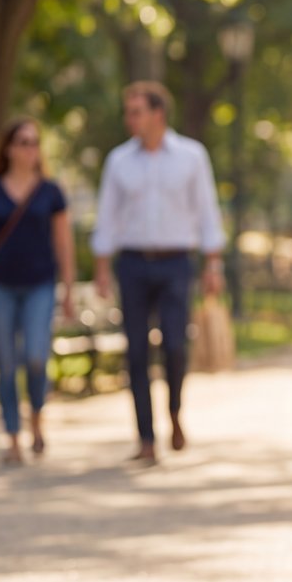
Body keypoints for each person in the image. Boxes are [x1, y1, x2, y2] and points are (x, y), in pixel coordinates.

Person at [92, 82, 225, 462]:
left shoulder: (191, 156)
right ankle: (146, 438)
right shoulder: (118, 161)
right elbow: (107, 218)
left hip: (176, 262)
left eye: (136, 111)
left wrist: (213, 265)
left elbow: (207, 213)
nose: (128, 118)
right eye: (128, 111)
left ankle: (174, 412)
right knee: (135, 352)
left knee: (175, 346)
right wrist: (102, 268)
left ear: (157, 114)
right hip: (133, 263)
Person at [0, 118, 76, 464]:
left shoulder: (51, 192)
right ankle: (12, 438)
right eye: (23, 142)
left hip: (40, 284)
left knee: (37, 358)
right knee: (7, 363)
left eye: (34, 142)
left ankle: (36, 418)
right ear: (8, 148)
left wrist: (67, 288)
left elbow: (63, 243)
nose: (30, 149)